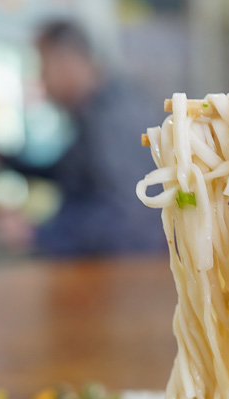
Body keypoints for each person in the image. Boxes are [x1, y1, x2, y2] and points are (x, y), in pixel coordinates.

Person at [9, 19, 164, 257]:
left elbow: (126, 213)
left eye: (43, 67)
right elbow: (69, 173)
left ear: (69, 63)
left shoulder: (114, 116)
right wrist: (0, 159)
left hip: (120, 274)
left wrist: (38, 234)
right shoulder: (94, 109)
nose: (42, 81)